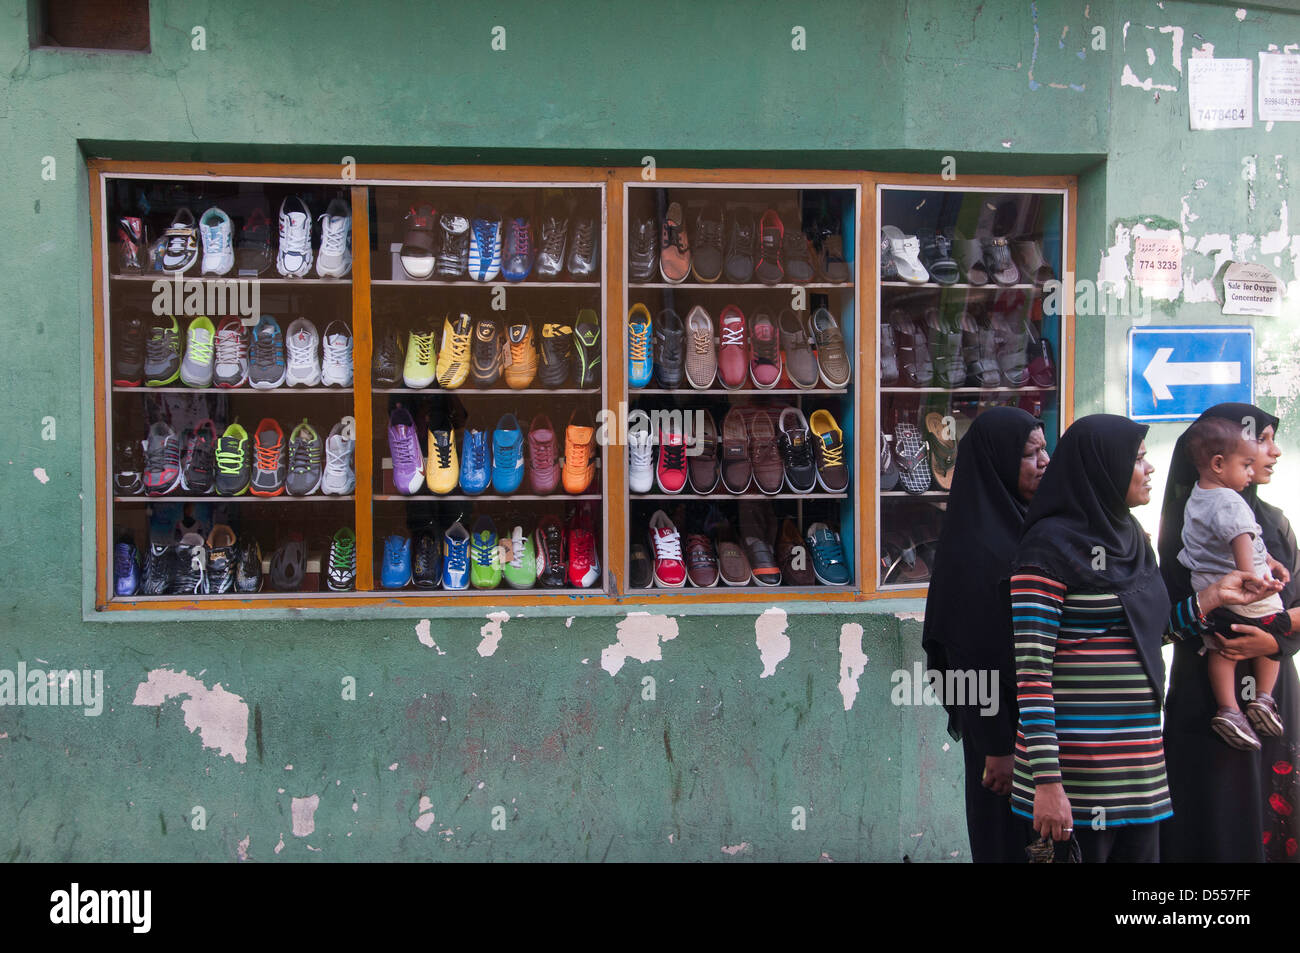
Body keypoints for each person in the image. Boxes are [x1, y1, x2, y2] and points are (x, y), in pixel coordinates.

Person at [1008, 414, 1276, 863]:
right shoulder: (1045, 551)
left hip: (1141, 776)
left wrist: (1213, 596)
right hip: (1076, 780)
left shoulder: (1132, 541)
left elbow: (1152, 634)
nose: (1149, 469)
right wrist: (1048, 784)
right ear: (1102, 468)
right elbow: (1032, 673)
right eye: (1137, 459)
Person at [1160, 403, 1300, 863]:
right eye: (1263, 439)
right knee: (1215, 818)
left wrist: (1275, 640)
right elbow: (1166, 620)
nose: (1274, 451)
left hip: (1274, 694)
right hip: (1206, 693)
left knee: (1271, 810)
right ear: (1219, 458)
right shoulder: (1184, 527)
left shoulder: (1275, 525)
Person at [922, 407, 1048, 863]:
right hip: (1003, 736)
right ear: (998, 462)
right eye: (1031, 453)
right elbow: (966, 655)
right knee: (1008, 841)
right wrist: (996, 744)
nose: (1045, 461)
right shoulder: (976, 548)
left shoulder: (1028, 526)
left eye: (1044, 449)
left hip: (1041, 729)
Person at [1175, 416, 1292, 750]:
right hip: (1246, 594)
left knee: (1221, 648)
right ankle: (1265, 699)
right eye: (1247, 463)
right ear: (1218, 463)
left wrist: (1268, 559)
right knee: (1275, 627)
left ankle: (1229, 708)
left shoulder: (1193, 499)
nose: (1252, 472)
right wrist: (1256, 578)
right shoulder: (1231, 501)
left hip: (1212, 599)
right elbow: (1243, 540)